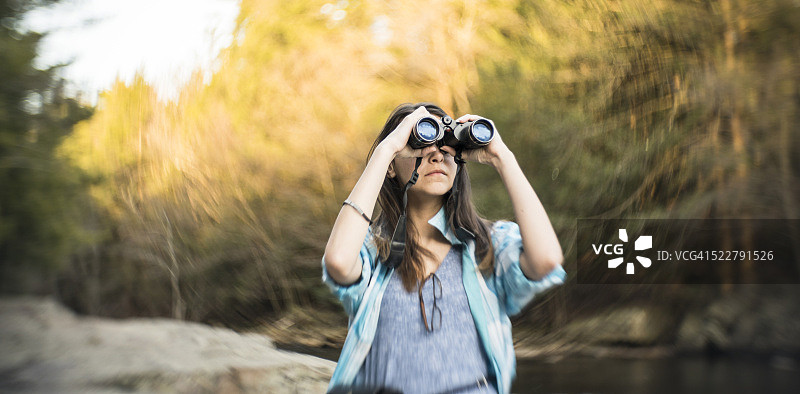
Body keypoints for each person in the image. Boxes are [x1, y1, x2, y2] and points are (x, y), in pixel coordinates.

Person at [322, 103, 566, 393]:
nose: (437, 154)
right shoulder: (374, 248)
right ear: (391, 166)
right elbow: (337, 260)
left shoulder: (486, 244)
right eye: (421, 144)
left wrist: (503, 157)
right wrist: (386, 150)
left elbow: (547, 260)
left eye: (447, 146)